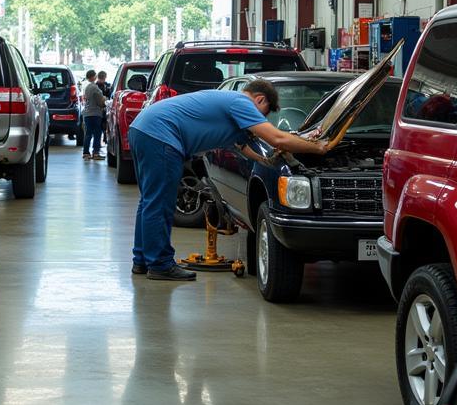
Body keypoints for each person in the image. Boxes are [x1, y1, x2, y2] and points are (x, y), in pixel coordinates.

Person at [128, 79, 328, 281]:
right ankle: (160, 264)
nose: (261, 121)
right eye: (264, 115)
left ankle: (142, 260)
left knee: (149, 201)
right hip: (160, 135)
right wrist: (318, 147)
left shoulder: (230, 106)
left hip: (143, 128)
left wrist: (266, 159)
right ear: (260, 99)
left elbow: (245, 146)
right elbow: (277, 138)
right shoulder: (241, 103)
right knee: (159, 203)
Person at [81, 69, 107, 161]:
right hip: (95, 113)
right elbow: (100, 101)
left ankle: (86, 153)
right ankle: (96, 153)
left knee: (88, 133)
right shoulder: (95, 88)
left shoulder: (87, 87)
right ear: (93, 77)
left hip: (87, 113)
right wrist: (105, 99)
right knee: (97, 133)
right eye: (95, 75)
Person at [97, 70, 111, 140]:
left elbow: (109, 95)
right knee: (100, 124)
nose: (103, 80)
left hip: (104, 108)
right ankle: (102, 136)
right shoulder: (96, 86)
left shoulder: (107, 85)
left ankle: (104, 136)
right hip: (99, 108)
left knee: (104, 123)